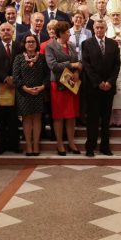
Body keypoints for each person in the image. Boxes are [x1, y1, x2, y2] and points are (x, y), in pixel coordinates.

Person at [81, 19, 121, 157]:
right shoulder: (87, 43)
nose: (99, 30)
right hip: (93, 87)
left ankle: (105, 146)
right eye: (97, 27)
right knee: (92, 119)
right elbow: (86, 65)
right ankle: (90, 147)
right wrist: (98, 82)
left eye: (101, 27)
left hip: (108, 88)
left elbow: (117, 65)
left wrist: (109, 82)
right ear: (93, 29)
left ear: (105, 29)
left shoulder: (113, 44)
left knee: (106, 119)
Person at [45, 21, 82, 156]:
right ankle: (60, 143)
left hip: (71, 83)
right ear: (60, 33)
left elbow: (77, 62)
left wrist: (76, 73)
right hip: (58, 84)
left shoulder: (71, 45)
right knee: (59, 116)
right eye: (67, 32)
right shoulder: (50, 46)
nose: (69, 33)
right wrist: (72, 65)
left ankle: (71, 142)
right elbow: (53, 66)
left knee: (71, 116)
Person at [0, 22, 21, 155]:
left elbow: (21, 63)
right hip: (0, 86)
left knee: (14, 118)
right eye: (3, 30)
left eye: (8, 29)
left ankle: (14, 145)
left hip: (15, 87)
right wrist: (5, 78)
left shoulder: (19, 46)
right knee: (0, 118)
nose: (6, 32)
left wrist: (14, 78)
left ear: (13, 32)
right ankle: (0, 146)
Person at [13, 34, 49, 156]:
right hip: (24, 93)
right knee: (27, 119)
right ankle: (29, 145)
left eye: (33, 41)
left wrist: (42, 87)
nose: (30, 44)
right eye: (28, 42)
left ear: (36, 43)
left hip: (39, 92)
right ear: (24, 44)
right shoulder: (19, 58)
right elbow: (16, 77)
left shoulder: (42, 57)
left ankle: (36, 145)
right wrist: (26, 89)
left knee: (37, 118)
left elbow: (47, 75)